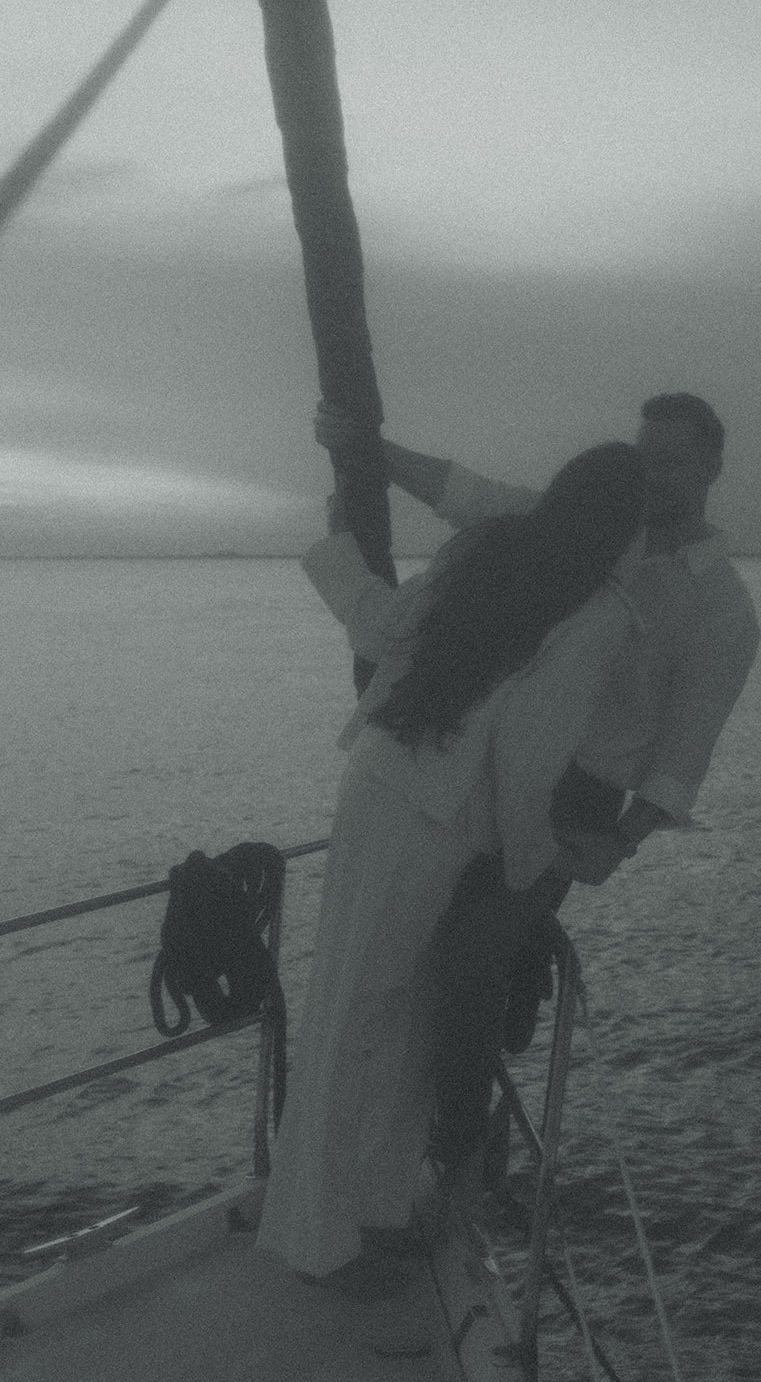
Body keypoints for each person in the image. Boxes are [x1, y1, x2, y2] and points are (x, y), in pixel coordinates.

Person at [315, 392, 761, 1179]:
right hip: (481, 773)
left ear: (713, 467)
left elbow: (681, 756)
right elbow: (469, 497)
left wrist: (620, 842)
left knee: (466, 956)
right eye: (642, 455)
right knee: (407, 956)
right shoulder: (584, 530)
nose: (651, 476)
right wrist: (370, 452)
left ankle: (460, 1145)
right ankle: (386, 1135)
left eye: (672, 461)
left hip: (575, 801)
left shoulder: (721, 610)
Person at [256, 441, 646, 1299]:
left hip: (385, 782)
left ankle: (369, 1212)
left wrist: (338, 554)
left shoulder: (491, 550)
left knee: (378, 1008)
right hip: (438, 817)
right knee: (365, 1012)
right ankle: (316, 1241)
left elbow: (382, 628)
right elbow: (530, 748)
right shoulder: (601, 609)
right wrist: (530, 865)